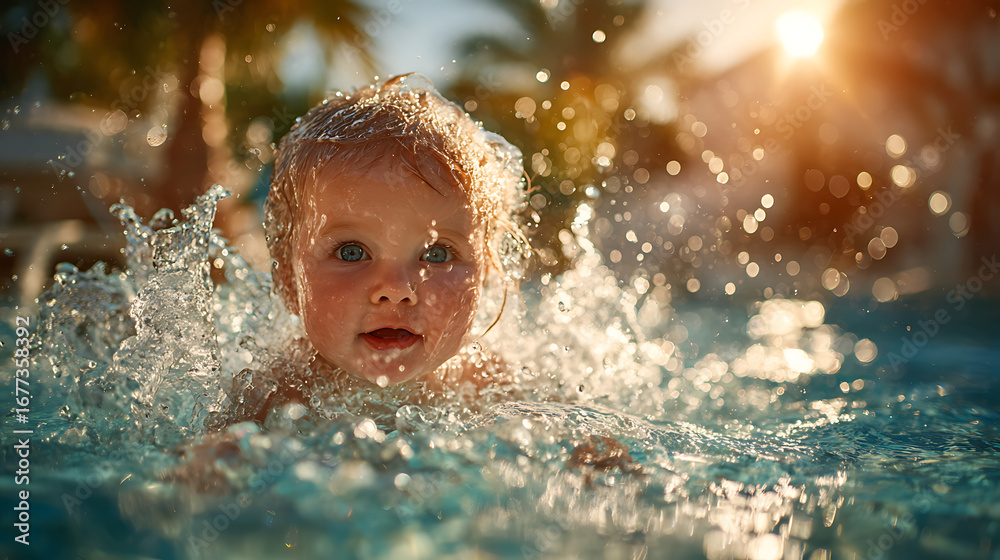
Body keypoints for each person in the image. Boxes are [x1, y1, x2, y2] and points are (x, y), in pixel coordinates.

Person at [227, 73, 531, 426]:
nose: (397, 290)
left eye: (437, 255)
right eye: (351, 252)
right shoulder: (278, 395)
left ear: (486, 274)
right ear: (290, 281)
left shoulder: (487, 383)